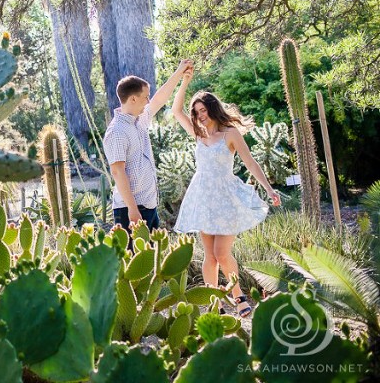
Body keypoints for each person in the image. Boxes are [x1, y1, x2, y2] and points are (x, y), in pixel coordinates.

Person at [171, 67, 281, 317]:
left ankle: (238, 295)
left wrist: (269, 189)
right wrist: (184, 80)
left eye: (203, 110)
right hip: (203, 197)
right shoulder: (198, 134)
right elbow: (176, 111)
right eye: (196, 112)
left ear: (213, 108)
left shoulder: (230, 134)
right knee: (209, 257)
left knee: (222, 252)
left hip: (226, 197)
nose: (200, 116)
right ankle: (214, 302)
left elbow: (250, 163)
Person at [103, 60, 194, 237]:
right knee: (133, 262)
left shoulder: (140, 119)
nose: (148, 101)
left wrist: (179, 72)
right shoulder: (117, 131)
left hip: (149, 206)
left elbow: (160, 98)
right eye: (146, 97)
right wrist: (132, 210)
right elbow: (117, 172)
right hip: (131, 210)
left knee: (151, 260)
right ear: (133, 99)